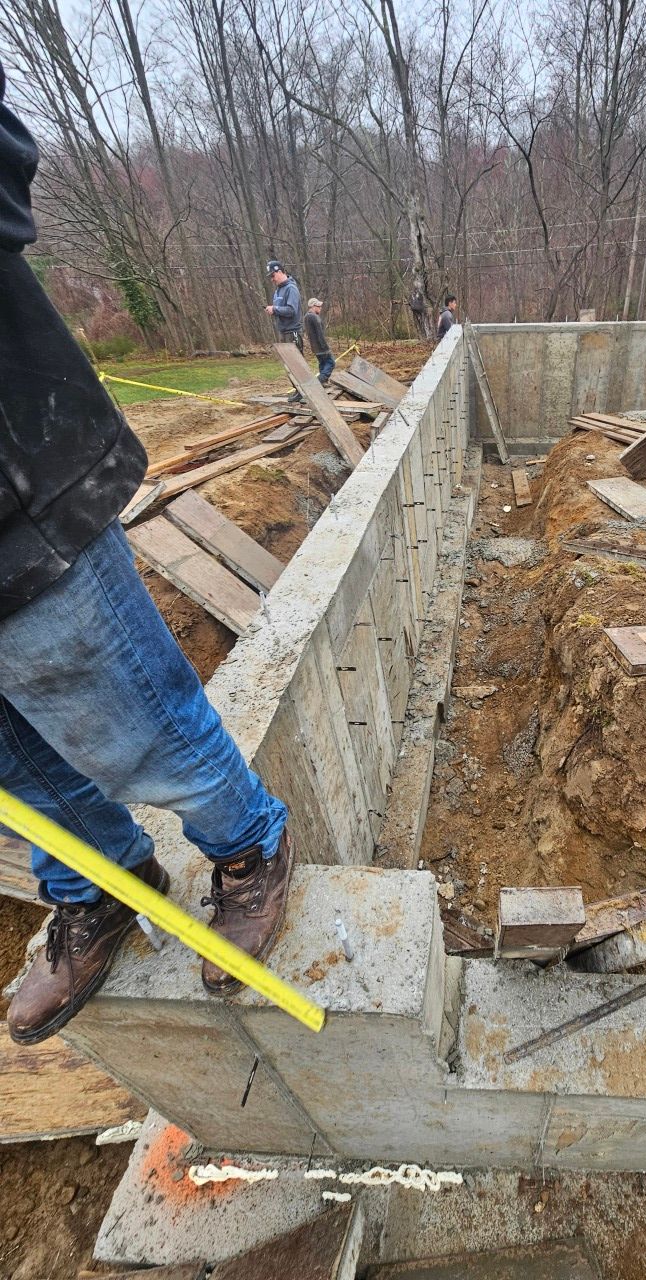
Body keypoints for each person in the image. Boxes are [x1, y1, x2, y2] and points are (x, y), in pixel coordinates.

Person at [0, 66, 295, 1046]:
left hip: (15, 484)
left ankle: (251, 847)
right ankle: (103, 885)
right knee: (20, 766)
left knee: (138, 730)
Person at [264, 260, 303, 349]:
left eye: (273, 275)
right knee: (287, 363)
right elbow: (280, 310)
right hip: (283, 332)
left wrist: (274, 309)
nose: (272, 279)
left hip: (292, 333)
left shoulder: (291, 288)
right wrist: (272, 311)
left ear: (280, 272)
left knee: (296, 362)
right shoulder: (278, 291)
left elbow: (291, 310)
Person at [305, 297, 335, 384]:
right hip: (321, 347)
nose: (320, 308)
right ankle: (319, 382)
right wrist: (326, 347)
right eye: (318, 306)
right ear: (313, 306)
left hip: (315, 348)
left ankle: (323, 383)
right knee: (331, 363)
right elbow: (320, 334)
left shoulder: (306, 316)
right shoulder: (314, 317)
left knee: (323, 364)